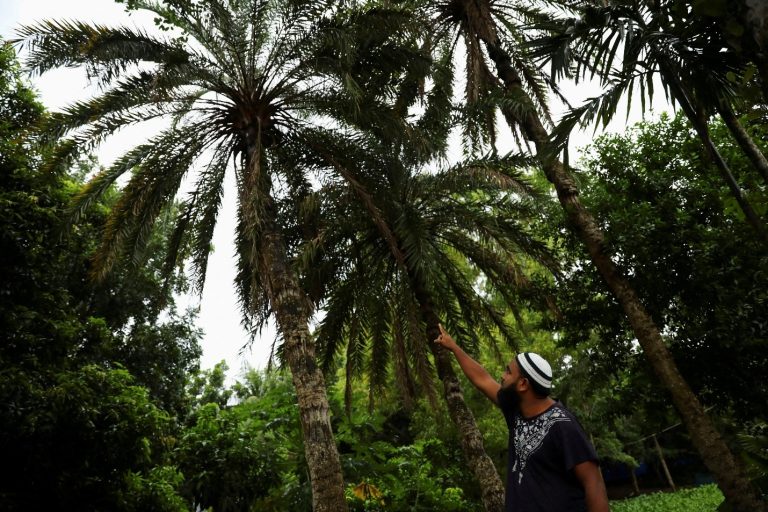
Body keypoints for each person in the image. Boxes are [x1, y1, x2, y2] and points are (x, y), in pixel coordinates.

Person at [434, 324, 609, 512]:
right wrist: (453, 346)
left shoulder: (563, 424)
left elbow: (594, 483)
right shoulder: (516, 410)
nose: (502, 376)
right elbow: (483, 380)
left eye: (508, 371)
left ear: (523, 384)